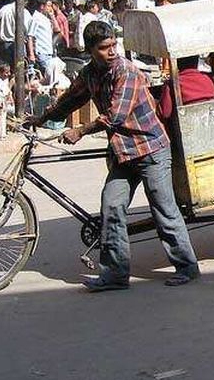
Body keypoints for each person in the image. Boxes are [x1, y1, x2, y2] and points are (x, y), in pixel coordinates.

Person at [33, 21, 200, 291]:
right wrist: (41, 118)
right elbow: (70, 99)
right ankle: (115, 275)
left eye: (113, 45)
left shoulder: (127, 72)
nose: (111, 52)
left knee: (164, 210)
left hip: (151, 150)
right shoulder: (90, 74)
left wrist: (81, 131)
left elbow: (115, 116)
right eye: (104, 48)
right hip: (123, 154)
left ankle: (187, 266)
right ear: (90, 51)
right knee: (111, 207)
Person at [158, 55, 214, 120]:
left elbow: (165, 113)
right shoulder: (209, 79)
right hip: (212, 120)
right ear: (197, 61)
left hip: (186, 124)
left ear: (176, 63)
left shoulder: (173, 83)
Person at [0, 0, 33, 65]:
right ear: (26, 2)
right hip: (19, 45)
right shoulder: (25, 12)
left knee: (6, 68)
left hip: (4, 45)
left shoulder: (4, 8)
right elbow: (29, 32)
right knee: (19, 68)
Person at [27, 0, 61, 72]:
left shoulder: (45, 18)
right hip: (41, 53)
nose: (50, 8)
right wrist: (31, 54)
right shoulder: (36, 18)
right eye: (48, 6)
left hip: (49, 52)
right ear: (42, 6)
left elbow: (57, 30)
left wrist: (52, 16)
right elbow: (30, 36)